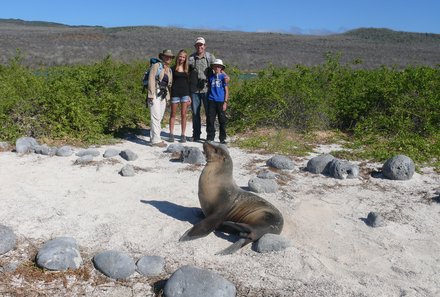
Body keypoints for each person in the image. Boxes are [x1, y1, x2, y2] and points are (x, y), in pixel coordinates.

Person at [188, 37, 215, 142]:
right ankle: (196, 135)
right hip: (194, 89)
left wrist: (225, 76)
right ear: (195, 46)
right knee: (195, 113)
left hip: (207, 89)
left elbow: (218, 68)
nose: (200, 47)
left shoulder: (210, 57)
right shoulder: (190, 58)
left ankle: (210, 135)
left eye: (201, 45)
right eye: (198, 45)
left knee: (209, 113)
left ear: (205, 46)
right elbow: (185, 72)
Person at [147, 49, 174, 147]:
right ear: (162, 57)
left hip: (164, 95)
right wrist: (150, 95)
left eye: (170, 57)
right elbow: (151, 79)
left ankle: (154, 138)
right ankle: (156, 141)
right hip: (155, 93)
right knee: (155, 116)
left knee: (159, 117)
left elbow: (169, 85)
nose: (168, 58)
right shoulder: (156, 66)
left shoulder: (169, 70)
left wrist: (169, 98)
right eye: (166, 56)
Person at [169, 49, 191, 143]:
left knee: (183, 114)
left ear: (185, 58)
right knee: (173, 114)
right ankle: (171, 134)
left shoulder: (188, 69)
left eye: (183, 57)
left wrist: (189, 96)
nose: (181, 58)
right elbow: (170, 82)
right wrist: (170, 94)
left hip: (185, 94)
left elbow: (190, 83)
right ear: (178, 57)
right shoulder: (173, 68)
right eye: (180, 56)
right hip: (175, 93)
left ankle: (183, 134)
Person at [206, 59, 229, 144]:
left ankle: (222, 138)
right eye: (215, 66)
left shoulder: (224, 77)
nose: (217, 67)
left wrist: (225, 102)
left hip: (221, 101)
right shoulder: (210, 77)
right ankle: (210, 137)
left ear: (221, 68)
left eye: (219, 66)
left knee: (222, 120)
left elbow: (226, 90)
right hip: (211, 100)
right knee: (210, 120)